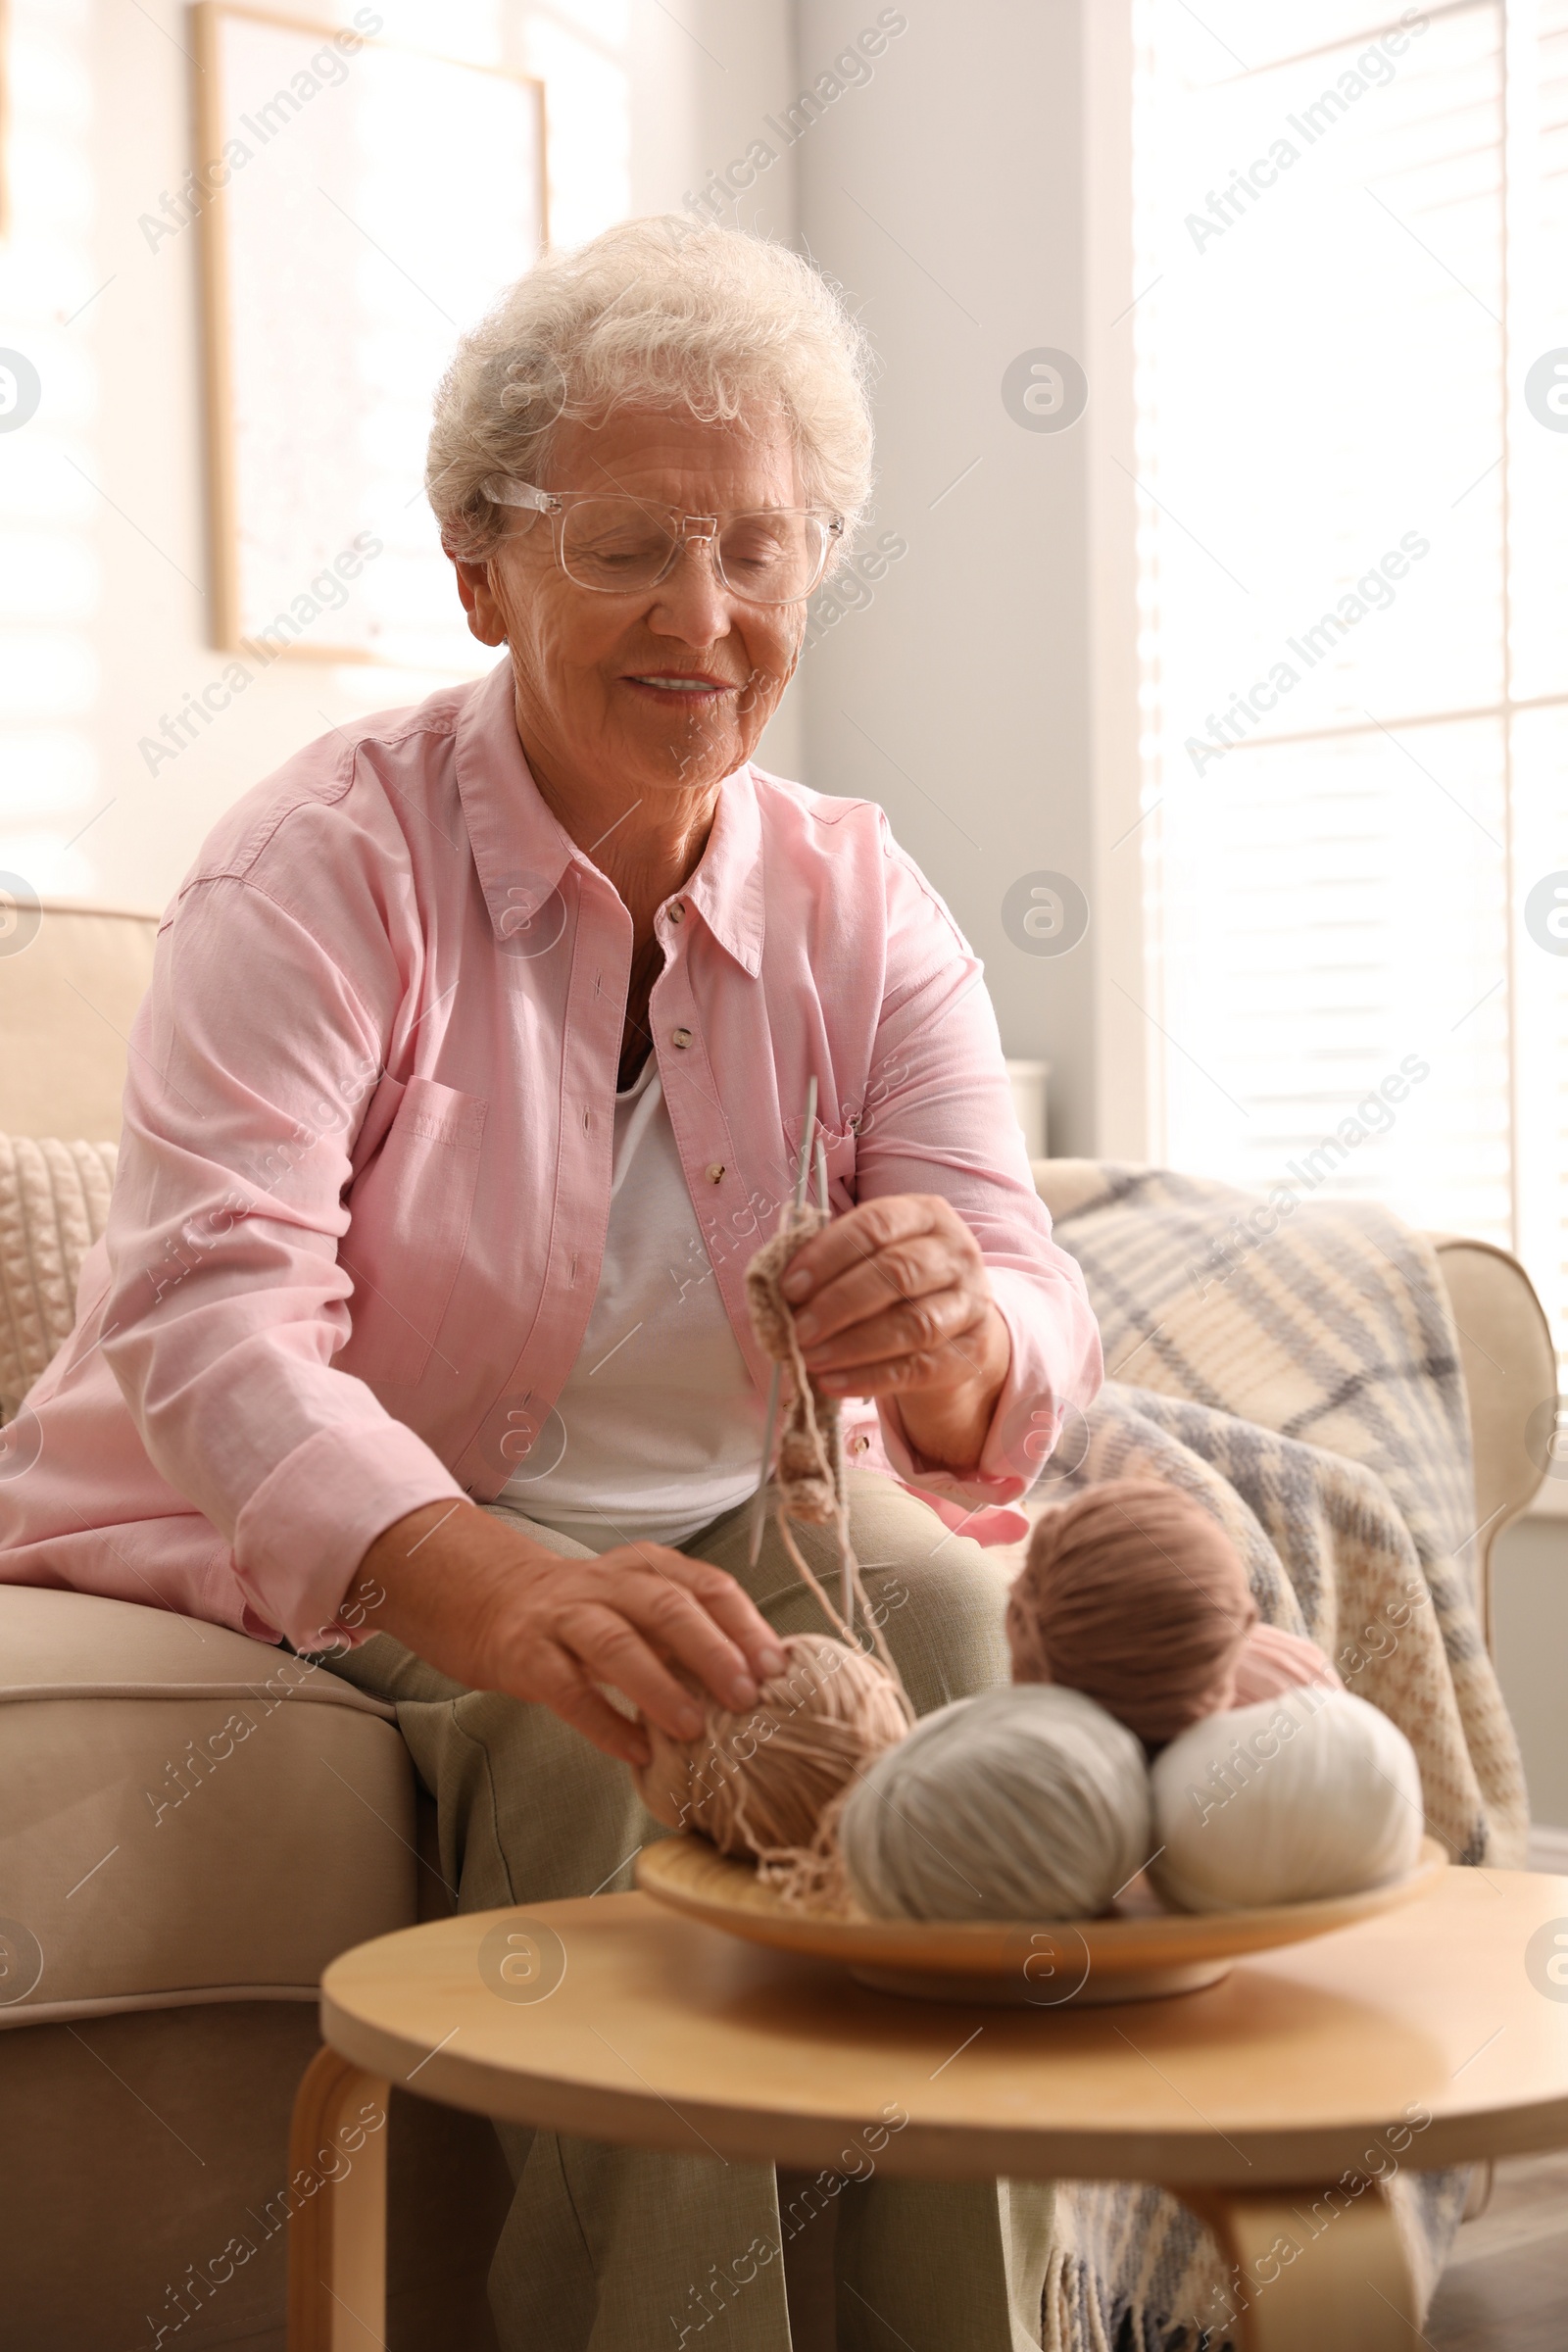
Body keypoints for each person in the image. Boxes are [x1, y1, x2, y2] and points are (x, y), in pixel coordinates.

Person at [0, 218, 1102, 2348]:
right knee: (626, 1738)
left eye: (760, 551)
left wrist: (963, 1338)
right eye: (629, 549)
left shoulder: (860, 899)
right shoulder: (320, 863)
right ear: (479, 568)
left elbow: (1021, 1306)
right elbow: (209, 1315)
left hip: (709, 1506)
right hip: (321, 1528)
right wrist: (481, 1583)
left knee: (962, 1623)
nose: (707, 617)